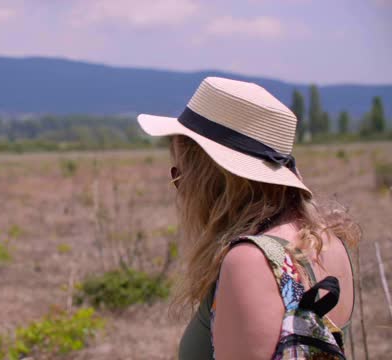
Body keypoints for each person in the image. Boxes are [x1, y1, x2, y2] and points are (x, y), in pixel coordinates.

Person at [136, 77, 358, 359]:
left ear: (212, 180)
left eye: (180, 177)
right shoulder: (328, 242)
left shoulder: (250, 260)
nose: (182, 193)